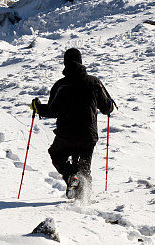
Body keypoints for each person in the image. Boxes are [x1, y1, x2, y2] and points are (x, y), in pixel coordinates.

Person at [30, 48, 115, 199]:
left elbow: (51, 110)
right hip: (88, 135)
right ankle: (83, 200)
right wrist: (110, 104)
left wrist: (38, 107)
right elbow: (107, 108)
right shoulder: (94, 82)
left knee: (56, 154)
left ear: (65, 63)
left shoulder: (61, 85)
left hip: (66, 134)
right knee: (84, 167)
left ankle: (71, 176)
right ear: (81, 62)